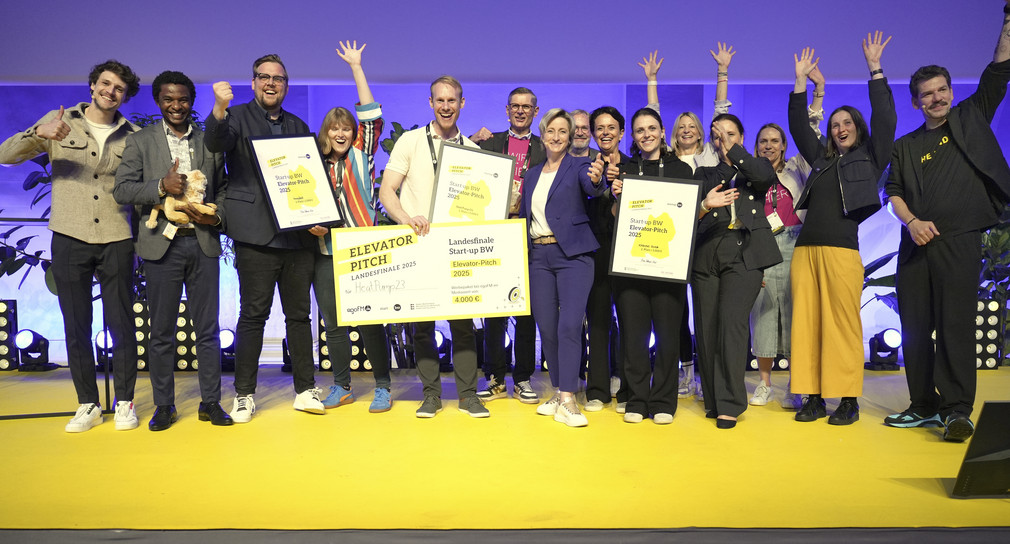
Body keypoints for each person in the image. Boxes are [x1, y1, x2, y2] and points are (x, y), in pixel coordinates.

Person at [884, 2, 1010, 442]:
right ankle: (922, 405)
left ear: (951, 92)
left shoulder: (970, 118)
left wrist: (1007, 21)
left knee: (955, 327)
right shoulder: (904, 145)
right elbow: (892, 194)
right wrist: (912, 222)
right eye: (927, 94)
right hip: (915, 245)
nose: (936, 98)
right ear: (916, 101)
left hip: (959, 241)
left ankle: (957, 411)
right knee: (915, 330)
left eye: (941, 90)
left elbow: (998, 69)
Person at [0, 60, 141, 433]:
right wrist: (38, 133)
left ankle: (125, 402)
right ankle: (87, 403)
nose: (110, 92)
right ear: (93, 85)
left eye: (119, 88)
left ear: (124, 96)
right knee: (76, 323)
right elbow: (5, 155)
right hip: (69, 234)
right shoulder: (59, 120)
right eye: (105, 84)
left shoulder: (134, 135)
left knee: (122, 323)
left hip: (117, 236)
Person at [205, 54, 322, 423]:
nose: (271, 83)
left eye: (278, 78)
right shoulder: (235, 116)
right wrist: (219, 107)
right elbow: (215, 141)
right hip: (254, 236)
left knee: (299, 317)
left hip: (297, 238)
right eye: (264, 77)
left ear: (285, 85)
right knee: (253, 316)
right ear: (254, 82)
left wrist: (318, 217)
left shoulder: (298, 125)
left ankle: (305, 390)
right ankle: (244, 395)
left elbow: (308, 178)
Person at [113, 70, 232, 430]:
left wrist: (217, 216)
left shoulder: (208, 141)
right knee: (161, 332)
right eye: (168, 99)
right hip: (160, 247)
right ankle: (164, 406)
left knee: (208, 330)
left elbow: (223, 188)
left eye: (182, 99)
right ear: (158, 101)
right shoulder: (141, 141)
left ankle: (210, 402)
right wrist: (161, 187)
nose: (176, 105)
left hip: (202, 242)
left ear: (191, 101)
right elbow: (123, 189)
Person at [788, 34, 896, 425]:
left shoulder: (871, 156)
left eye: (846, 122)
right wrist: (801, 81)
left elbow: (886, 118)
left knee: (843, 326)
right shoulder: (821, 159)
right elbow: (799, 127)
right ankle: (813, 397)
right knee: (807, 327)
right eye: (834, 125)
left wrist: (875, 70)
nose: (839, 128)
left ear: (857, 128)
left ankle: (848, 399)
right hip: (806, 252)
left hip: (842, 252)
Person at [377, 75, 488, 418]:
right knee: (422, 325)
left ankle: (468, 395)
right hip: (419, 245)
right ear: (431, 103)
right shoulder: (410, 141)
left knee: (463, 325)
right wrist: (406, 218)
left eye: (452, 100)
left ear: (461, 103)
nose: (446, 106)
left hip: (456, 250)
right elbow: (387, 190)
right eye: (440, 100)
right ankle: (431, 395)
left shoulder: (473, 151)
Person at [643, 45, 733, 401]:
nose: (686, 130)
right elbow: (652, 117)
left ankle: (712, 373)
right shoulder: (665, 159)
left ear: (701, 132)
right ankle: (685, 371)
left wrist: (722, 73)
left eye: (691, 126)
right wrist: (652, 80)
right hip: (674, 242)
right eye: (680, 127)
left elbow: (721, 114)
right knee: (677, 312)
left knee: (708, 311)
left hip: (708, 240)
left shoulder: (710, 155)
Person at [308, 42, 394, 414]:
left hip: (363, 252)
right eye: (335, 129)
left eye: (346, 129)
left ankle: (383, 387)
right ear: (326, 134)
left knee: (371, 321)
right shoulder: (313, 164)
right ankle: (341, 386)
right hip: (325, 253)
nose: (341, 134)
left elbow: (371, 117)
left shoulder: (363, 155)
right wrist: (309, 226)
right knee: (333, 324)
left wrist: (356, 67)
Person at [522, 108, 610, 427]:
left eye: (563, 131)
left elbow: (592, 185)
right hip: (538, 257)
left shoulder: (580, 165)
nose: (556, 137)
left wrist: (597, 178)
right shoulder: (531, 174)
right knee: (547, 328)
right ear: (542, 135)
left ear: (570, 136)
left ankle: (570, 399)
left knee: (569, 326)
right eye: (551, 131)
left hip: (573, 256)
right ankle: (560, 392)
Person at [692, 113, 780, 429]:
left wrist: (734, 152)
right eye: (719, 136)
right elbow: (690, 210)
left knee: (732, 324)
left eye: (731, 134)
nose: (724, 141)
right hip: (706, 254)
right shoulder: (705, 173)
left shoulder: (757, 167)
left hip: (744, 253)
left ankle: (730, 403)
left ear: (742, 137)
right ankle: (714, 399)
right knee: (707, 328)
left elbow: (763, 177)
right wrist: (707, 203)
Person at [609, 107, 693, 424]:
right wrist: (616, 197)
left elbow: (687, 219)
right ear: (633, 136)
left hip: (668, 270)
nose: (647, 135)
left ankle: (663, 402)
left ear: (662, 132)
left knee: (669, 338)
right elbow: (615, 218)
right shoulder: (624, 170)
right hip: (631, 268)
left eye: (652, 128)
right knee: (634, 338)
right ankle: (637, 400)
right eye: (640, 130)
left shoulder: (681, 170)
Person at [747, 72, 825, 410]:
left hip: (795, 244)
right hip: (762, 246)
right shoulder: (748, 174)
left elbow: (812, 133)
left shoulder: (797, 167)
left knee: (796, 313)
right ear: (756, 146)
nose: (768, 145)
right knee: (763, 312)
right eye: (763, 141)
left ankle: (797, 384)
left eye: (775, 140)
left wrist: (817, 93)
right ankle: (764, 384)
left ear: (784, 145)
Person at [470, 87, 545, 405]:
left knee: (526, 312)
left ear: (535, 111)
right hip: (495, 236)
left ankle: (523, 378)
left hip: (529, 235)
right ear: (507, 110)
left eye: (526, 107)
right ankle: (495, 378)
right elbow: (456, 164)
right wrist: (471, 140)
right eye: (515, 106)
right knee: (494, 311)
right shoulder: (490, 142)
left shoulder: (545, 147)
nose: (520, 111)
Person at [583, 106, 628, 413]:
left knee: (629, 320)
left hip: (628, 252)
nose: (605, 133)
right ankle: (597, 389)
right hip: (596, 251)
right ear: (592, 133)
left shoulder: (635, 166)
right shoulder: (585, 167)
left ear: (621, 133)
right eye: (599, 128)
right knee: (598, 321)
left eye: (611, 127)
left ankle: (627, 389)